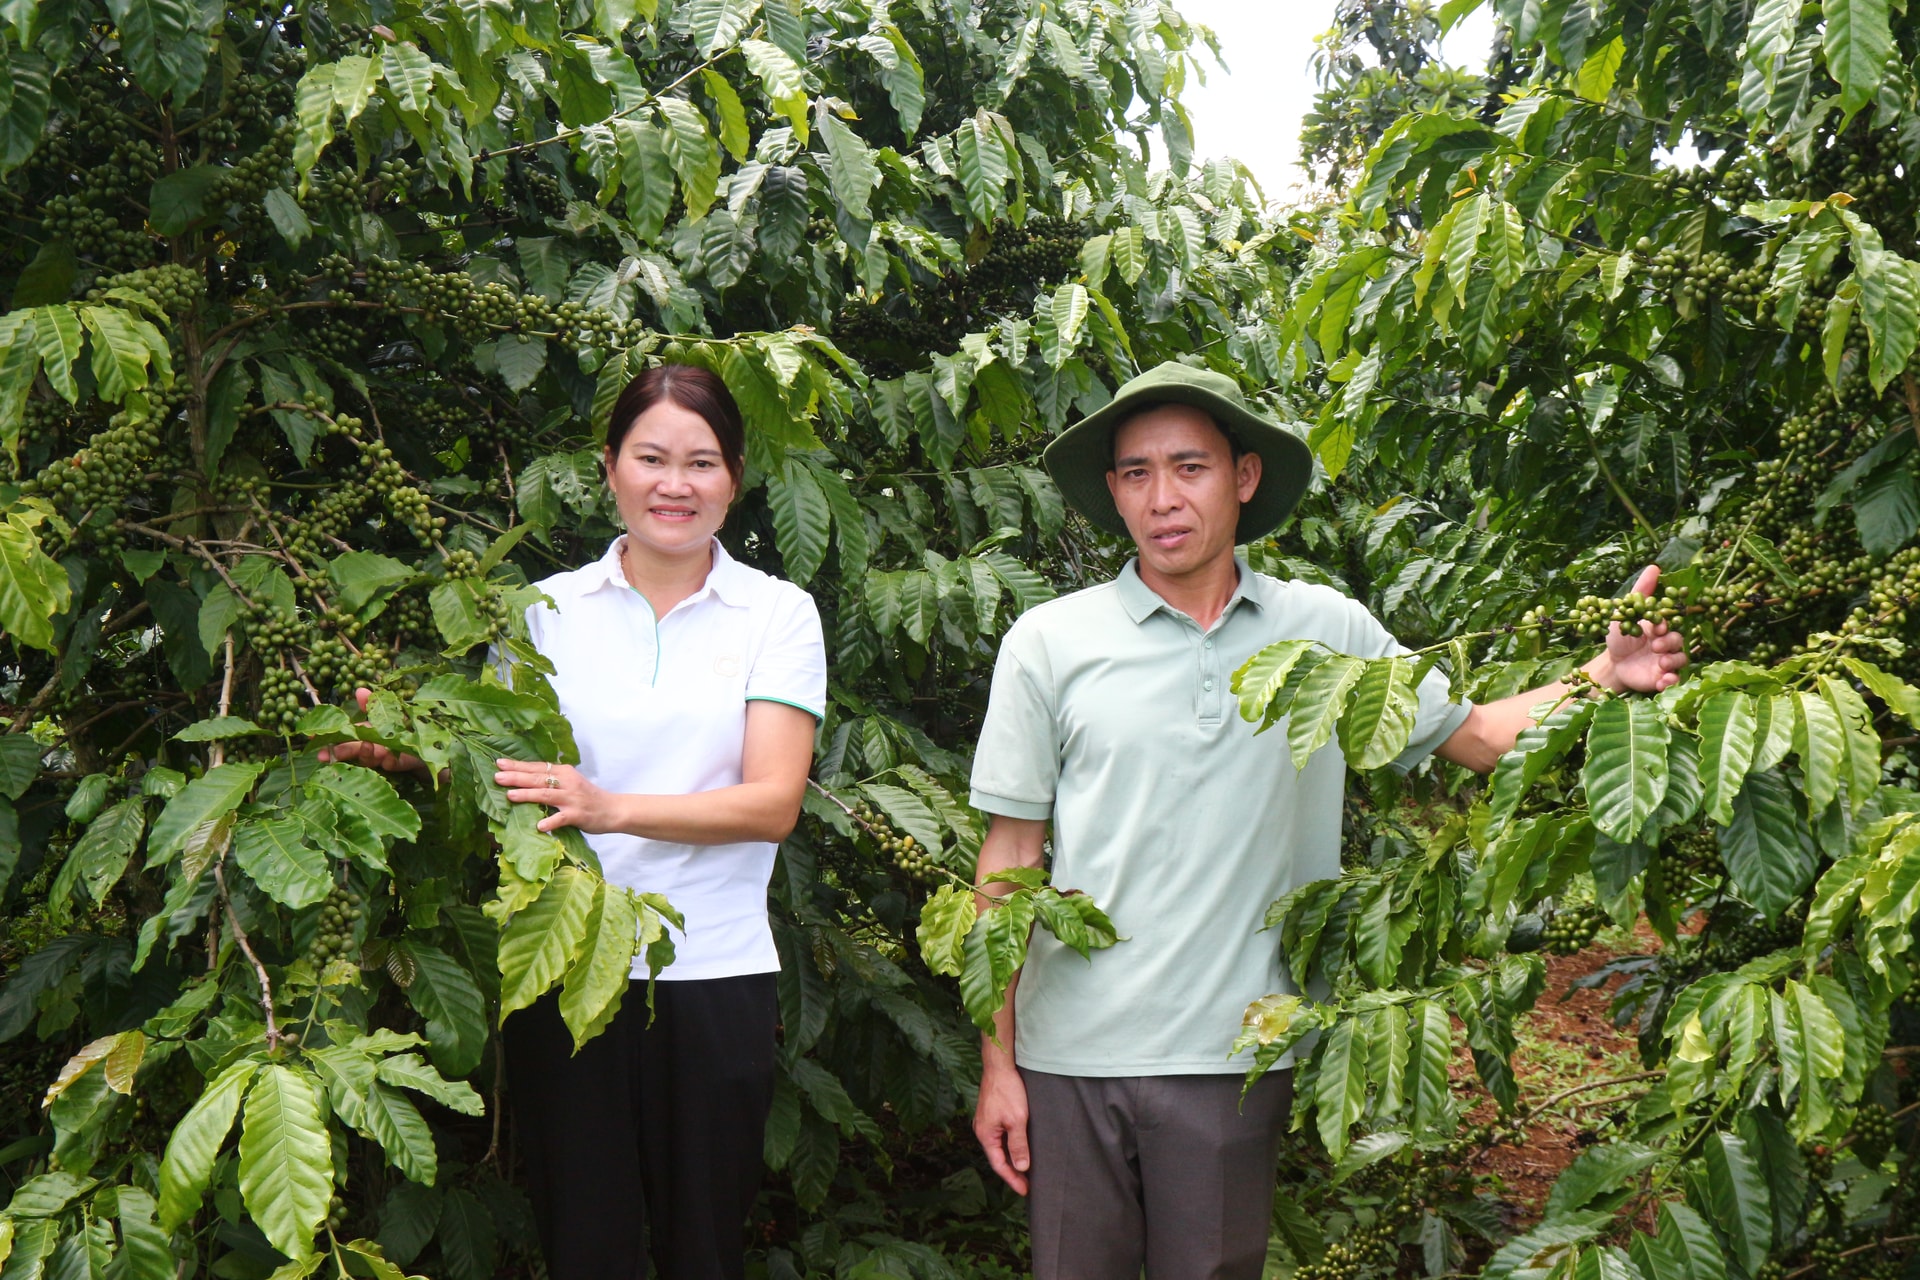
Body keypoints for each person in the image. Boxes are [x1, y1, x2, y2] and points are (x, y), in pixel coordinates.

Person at [966, 362, 1686, 1280]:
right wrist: (1000, 1062)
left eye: (1190, 467)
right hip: (1068, 1059)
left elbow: (1478, 737)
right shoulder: (1049, 644)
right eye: (1137, 474)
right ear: (1112, 492)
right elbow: (1009, 863)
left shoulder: (1326, 630)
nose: (1163, 498)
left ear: (1244, 477)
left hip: (1233, 1053)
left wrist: (1602, 675)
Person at [326, 365, 825, 1280]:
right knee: (584, 1245)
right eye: (651, 458)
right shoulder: (545, 612)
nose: (675, 484)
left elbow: (772, 803)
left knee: (704, 1249)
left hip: (712, 972)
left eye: (702, 462)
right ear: (609, 468)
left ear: (735, 479)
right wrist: (391, 746)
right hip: (561, 967)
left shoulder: (777, 614)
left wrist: (609, 806)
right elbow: (492, 753)